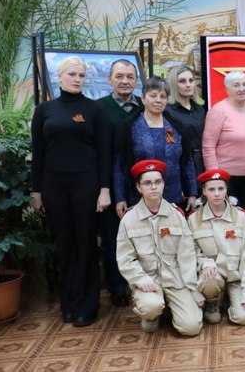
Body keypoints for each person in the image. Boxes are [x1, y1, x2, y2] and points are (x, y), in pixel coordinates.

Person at [31, 56, 111, 327]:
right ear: (60, 76)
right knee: (64, 245)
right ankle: (69, 304)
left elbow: (105, 154)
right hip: (53, 186)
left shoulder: (94, 110)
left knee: (86, 243)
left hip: (86, 184)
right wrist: (36, 190)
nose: (77, 79)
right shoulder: (44, 110)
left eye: (81, 75)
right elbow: (39, 153)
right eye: (72, 74)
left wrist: (104, 189)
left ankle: (87, 307)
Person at [116, 160, 203, 335]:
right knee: (151, 306)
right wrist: (141, 280)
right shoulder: (129, 219)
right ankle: (151, 314)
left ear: (163, 184)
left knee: (191, 328)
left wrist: (193, 289)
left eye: (158, 182)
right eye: (147, 183)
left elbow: (186, 256)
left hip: (175, 278)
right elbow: (125, 259)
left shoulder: (176, 215)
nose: (153, 187)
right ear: (139, 188)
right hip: (149, 280)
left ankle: (172, 305)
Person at [113, 77, 197, 214]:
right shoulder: (129, 127)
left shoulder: (177, 127)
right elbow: (119, 165)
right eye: (153, 96)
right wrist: (120, 198)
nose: (158, 100)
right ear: (143, 98)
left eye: (163, 96)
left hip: (174, 197)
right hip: (139, 198)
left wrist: (192, 192)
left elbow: (187, 161)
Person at [97, 59, 143, 307]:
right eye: (119, 76)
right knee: (114, 237)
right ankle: (117, 286)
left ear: (136, 80)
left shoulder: (144, 106)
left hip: (142, 185)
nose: (125, 81)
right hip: (110, 182)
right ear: (110, 79)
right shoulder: (99, 108)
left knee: (142, 237)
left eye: (130, 77)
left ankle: (143, 285)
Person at [189, 169, 245, 325]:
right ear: (204, 192)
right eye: (212, 189)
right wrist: (205, 263)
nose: (217, 194)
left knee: (244, 318)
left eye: (221, 188)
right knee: (209, 280)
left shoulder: (241, 216)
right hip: (213, 276)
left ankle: (232, 298)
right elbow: (191, 252)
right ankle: (213, 302)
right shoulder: (194, 220)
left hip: (236, 278)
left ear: (227, 190)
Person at [202, 71, 245, 207]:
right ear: (227, 89)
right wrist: (214, 176)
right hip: (228, 179)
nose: (242, 89)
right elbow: (208, 146)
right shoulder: (218, 110)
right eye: (236, 85)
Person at [165, 65, 206, 176]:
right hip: (180, 164)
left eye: (191, 80)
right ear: (173, 85)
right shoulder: (167, 111)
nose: (188, 85)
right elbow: (169, 142)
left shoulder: (200, 110)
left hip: (203, 163)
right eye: (182, 81)